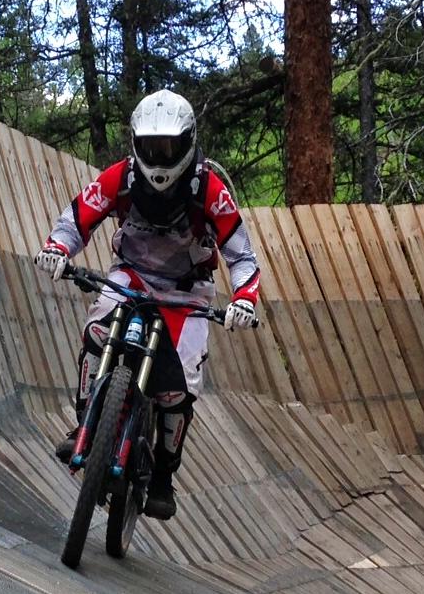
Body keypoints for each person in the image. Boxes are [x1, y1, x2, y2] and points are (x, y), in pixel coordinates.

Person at [35, 89, 262, 521]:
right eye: (151, 147)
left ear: (188, 142)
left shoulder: (210, 191)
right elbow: (78, 217)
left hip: (187, 289)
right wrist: (57, 249)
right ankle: (87, 422)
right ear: (136, 143)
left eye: (168, 148)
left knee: (182, 385)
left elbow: (241, 254)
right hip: (131, 274)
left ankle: (162, 476)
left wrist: (244, 299)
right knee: (96, 331)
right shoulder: (119, 178)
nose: (159, 158)